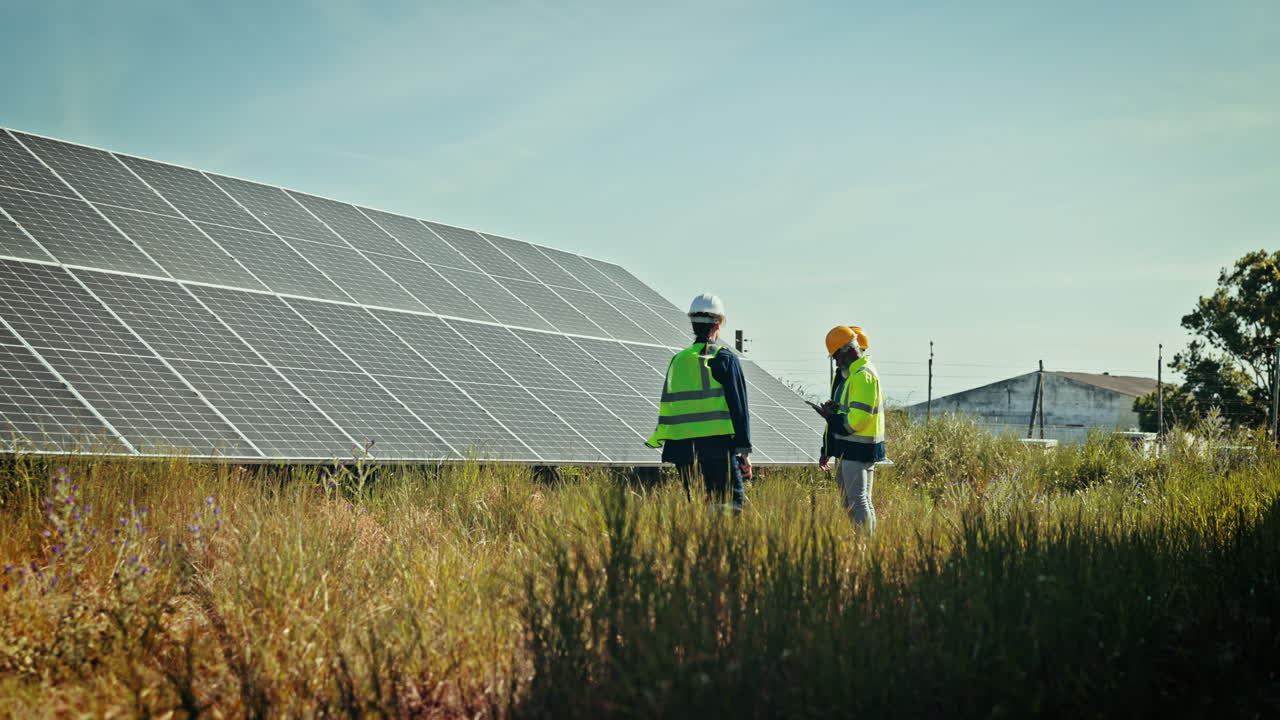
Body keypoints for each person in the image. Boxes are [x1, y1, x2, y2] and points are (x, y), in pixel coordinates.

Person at [646, 293, 752, 510]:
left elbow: (670, 406)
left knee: (699, 508)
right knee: (730, 507)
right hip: (718, 448)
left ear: (693, 323)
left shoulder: (678, 360)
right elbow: (738, 406)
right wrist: (744, 451)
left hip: (682, 450)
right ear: (719, 324)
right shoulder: (724, 358)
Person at [814, 325, 885, 533]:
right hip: (851, 447)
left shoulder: (863, 375)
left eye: (836, 356)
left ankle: (864, 547)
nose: (836, 361)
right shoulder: (853, 374)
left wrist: (832, 418)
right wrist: (834, 412)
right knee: (857, 500)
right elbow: (850, 411)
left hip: (858, 447)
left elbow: (857, 420)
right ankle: (865, 544)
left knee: (858, 500)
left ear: (847, 350)